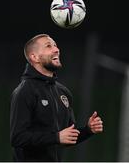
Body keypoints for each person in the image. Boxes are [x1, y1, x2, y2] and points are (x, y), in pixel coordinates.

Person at [10, 34, 103, 162]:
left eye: (55, 45)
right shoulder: (25, 91)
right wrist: (56, 137)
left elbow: (67, 138)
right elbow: (17, 138)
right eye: (49, 46)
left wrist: (88, 130)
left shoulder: (63, 92)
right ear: (34, 57)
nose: (56, 49)